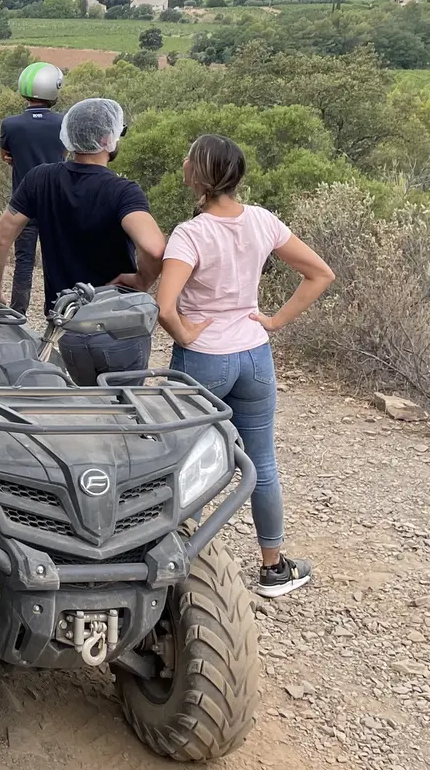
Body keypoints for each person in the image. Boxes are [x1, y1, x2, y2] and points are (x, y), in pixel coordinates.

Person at [156, 134, 335, 598]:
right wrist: (274, 321)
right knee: (262, 462)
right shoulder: (261, 221)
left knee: (184, 459)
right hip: (254, 354)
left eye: (189, 158)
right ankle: (273, 568)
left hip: (204, 359)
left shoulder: (190, 233)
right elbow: (320, 274)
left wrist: (184, 334)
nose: (183, 161)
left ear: (201, 173)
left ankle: (179, 563)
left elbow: (165, 306)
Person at [0, 98, 166, 378]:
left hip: (64, 322)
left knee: (74, 407)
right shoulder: (122, 192)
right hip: (117, 324)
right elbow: (153, 248)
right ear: (108, 139)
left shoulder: (39, 179)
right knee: (122, 408)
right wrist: (141, 281)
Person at [0, 62, 66, 313]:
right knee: (54, 261)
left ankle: (18, 313)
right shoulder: (63, 123)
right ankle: (55, 311)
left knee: (23, 262)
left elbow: (5, 154)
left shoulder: (10, 124)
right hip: (56, 204)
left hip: (23, 204)